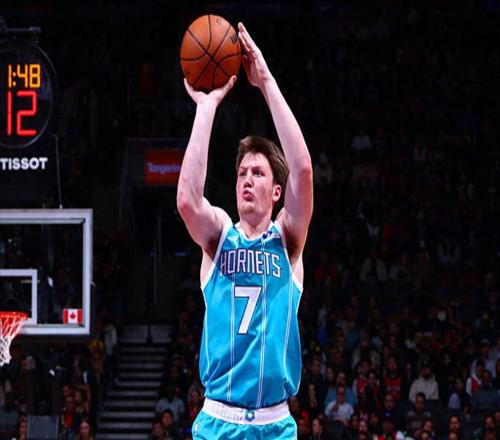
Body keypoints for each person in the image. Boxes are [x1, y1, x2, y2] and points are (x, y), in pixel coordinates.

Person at [177, 22, 313, 439]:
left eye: (257, 173)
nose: (247, 180)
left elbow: (303, 169)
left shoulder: (287, 241)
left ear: (277, 191)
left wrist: (266, 82)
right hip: (219, 419)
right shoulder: (220, 236)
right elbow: (187, 200)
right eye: (241, 173)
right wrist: (206, 107)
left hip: (275, 422)